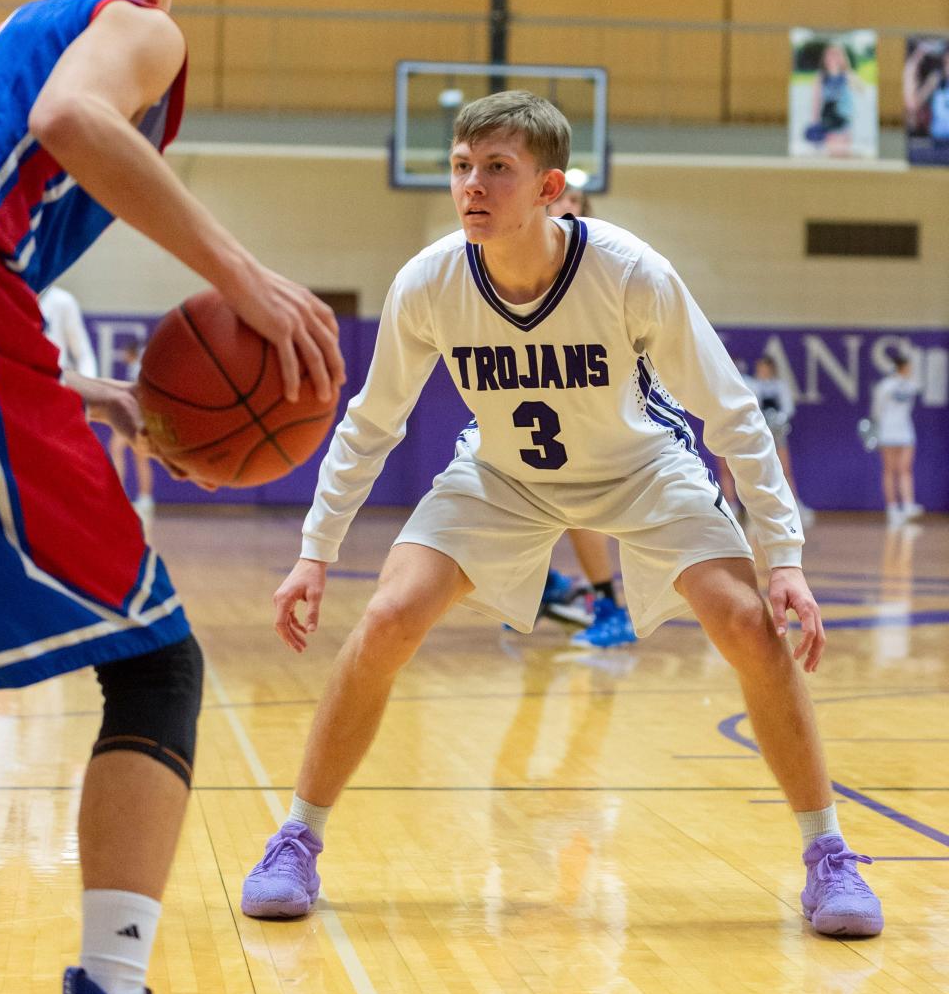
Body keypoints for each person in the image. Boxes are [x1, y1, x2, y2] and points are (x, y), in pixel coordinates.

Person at [242, 90, 882, 939]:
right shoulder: (429, 281)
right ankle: (297, 838)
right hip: (505, 475)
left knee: (748, 624)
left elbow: (731, 414)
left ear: (550, 189)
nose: (472, 186)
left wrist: (785, 556)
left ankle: (827, 854)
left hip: (643, 467)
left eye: (496, 170)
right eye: (462, 168)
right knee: (391, 614)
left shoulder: (630, 272)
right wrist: (315, 553)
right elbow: (372, 422)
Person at [0, 0, 344, 994]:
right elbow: (72, 117)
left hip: (11, 338)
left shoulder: (7, 35)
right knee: (154, 665)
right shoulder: (136, 28)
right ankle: (113, 981)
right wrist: (243, 277)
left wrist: (58, 386)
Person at [542, 184, 636, 649]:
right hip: (535, 393)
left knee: (579, 507)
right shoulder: (514, 257)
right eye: (562, 201)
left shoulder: (598, 256)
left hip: (590, 394)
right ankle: (548, 586)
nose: (567, 208)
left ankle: (610, 607)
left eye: (575, 203)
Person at [746, 354, 814, 529]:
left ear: (772, 369)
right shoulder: (752, 385)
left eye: (766, 367)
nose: (763, 371)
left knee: (785, 470)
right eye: (760, 367)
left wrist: (779, 420)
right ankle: (756, 510)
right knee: (758, 471)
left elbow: (788, 407)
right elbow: (750, 407)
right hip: (758, 434)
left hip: (777, 433)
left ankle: (793, 506)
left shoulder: (780, 386)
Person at [870, 351, 922, 527]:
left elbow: (914, 393)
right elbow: (877, 410)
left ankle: (908, 505)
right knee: (889, 470)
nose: (911, 370)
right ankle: (892, 508)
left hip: (906, 431)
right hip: (888, 432)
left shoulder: (910, 386)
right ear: (901, 367)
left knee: (905, 469)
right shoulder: (885, 386)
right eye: (908, 367)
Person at [109, 339, 156, 527]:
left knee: (117, 449)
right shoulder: (143, 365)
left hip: (137, 418)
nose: (122, 356)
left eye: (124, 352)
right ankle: (145, 500)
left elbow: (138, 396)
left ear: (131, 352)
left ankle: (119, 495)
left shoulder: (138, 368)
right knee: (139, 457)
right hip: (142, 418)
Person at [39, 284, 99, 378]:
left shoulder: (62, 300)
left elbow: (83, 354)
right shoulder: (10, 298)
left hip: (54, 382)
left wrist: (85, 387)